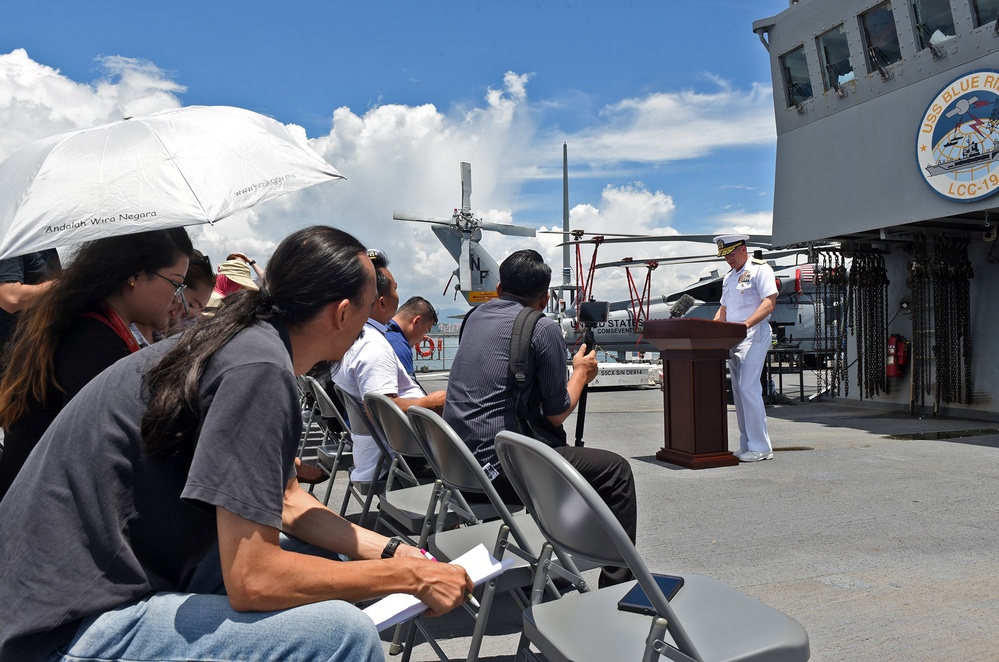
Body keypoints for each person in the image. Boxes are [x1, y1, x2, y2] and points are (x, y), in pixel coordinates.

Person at [0, 226, 471, 661]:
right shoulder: (259, 372)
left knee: (320, 560)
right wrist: (411, 577)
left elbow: (286, 500)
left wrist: (392, 552)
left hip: (63, 585)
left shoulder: (245, 343)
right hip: (58, 624)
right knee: (344, 636)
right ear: (343, 313)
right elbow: (253, 578)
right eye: (369, 311)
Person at [444, 249, 637, 588]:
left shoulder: (473, 317)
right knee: (615, 471)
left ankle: (563, 545)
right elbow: (556, 412)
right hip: (502, 471)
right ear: (545, 297)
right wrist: (580, 373)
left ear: (499, 286)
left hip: (457, 463)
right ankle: (616, 583)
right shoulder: (542, 327)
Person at [0, 228, 193, 500]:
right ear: (136, 275)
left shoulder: (93, 329)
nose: (178, 299)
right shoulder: (92, 341)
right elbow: (115, 454)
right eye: (176, 283)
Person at [332, 250, 446, 482]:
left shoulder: (353, 339)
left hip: (385, 455)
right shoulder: (373, 346)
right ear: (382, 302)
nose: (398, 294)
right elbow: (382, 410)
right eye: (395, 288)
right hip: (399, 459)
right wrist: (430, 402)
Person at [711, 234, 778, 462]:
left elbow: (769, 302)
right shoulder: (729, 278)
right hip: (733, 339)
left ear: (743, 249)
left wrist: (745, 325)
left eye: (730, 253)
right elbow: (723, 309)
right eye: (724, 255)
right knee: (739, 392)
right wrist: (709, 330)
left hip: (754, 335)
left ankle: (761, 447)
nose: (728, 259)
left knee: (748, 388)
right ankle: (747, 444)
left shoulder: (761, 269)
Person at [0, 249, 61, 370]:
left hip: (41, 342)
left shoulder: (46, 240)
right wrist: (64, 285)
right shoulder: (11, 238)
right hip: (15, 351)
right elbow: (11, 297)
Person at [386, 295, 438, 376]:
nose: (422, 339)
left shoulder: (378, 332)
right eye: (425, 331)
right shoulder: (399, 345)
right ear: (417, 321)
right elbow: (407, 388)